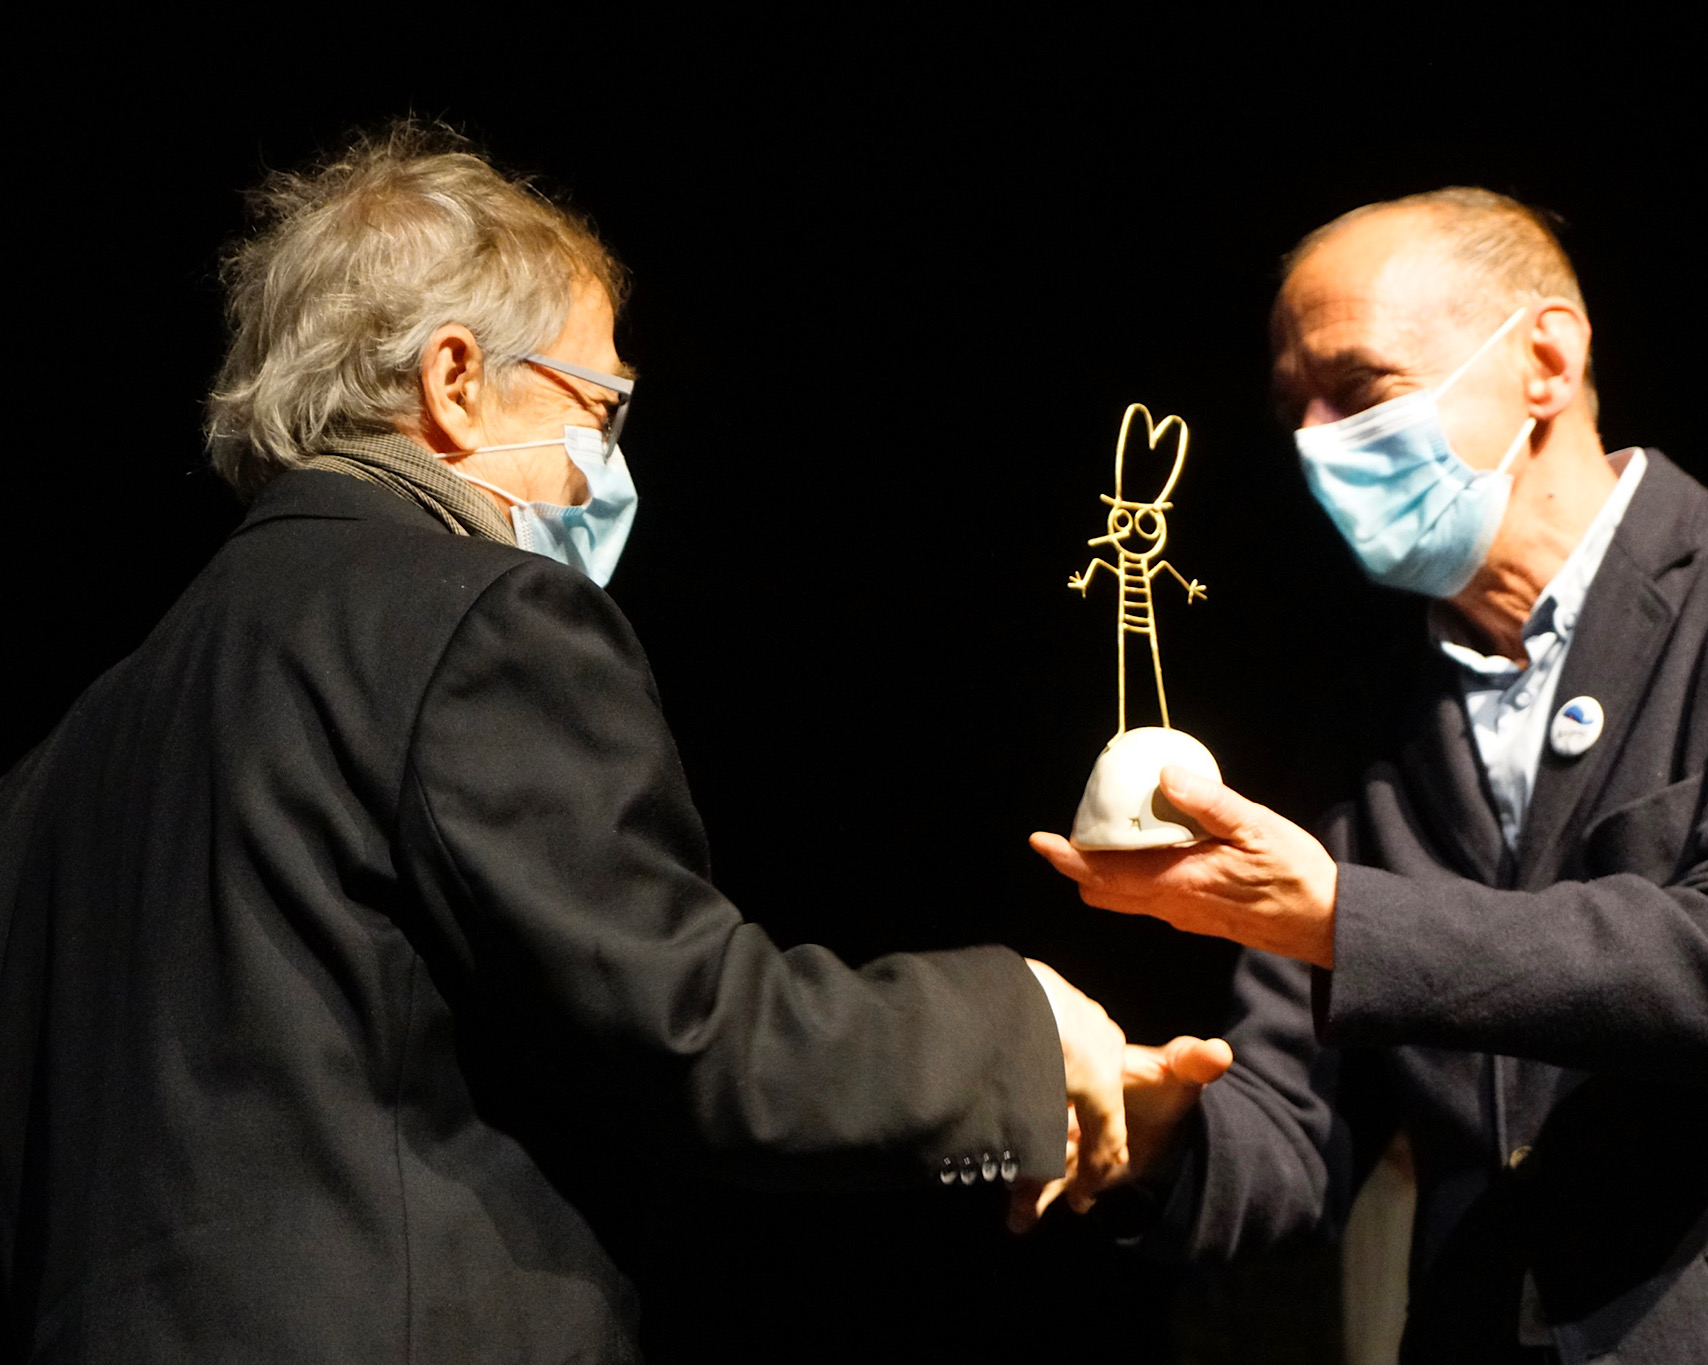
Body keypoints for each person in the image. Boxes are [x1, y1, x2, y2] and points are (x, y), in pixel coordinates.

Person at [0, 126, 1155, 1362]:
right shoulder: (477, 621)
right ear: (453, 380)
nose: (607, 467)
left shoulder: (65, 753)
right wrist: (1015, 1031)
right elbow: (687, 1032)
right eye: (599, 409)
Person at [1033, 188, 1708, 1361]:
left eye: (1357, 387)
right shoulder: (1366, 731)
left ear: (1545, 362)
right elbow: (1296, 1140)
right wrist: (1154, 1131)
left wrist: (1344, 918)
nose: (1312, 441)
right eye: (1291, 408)